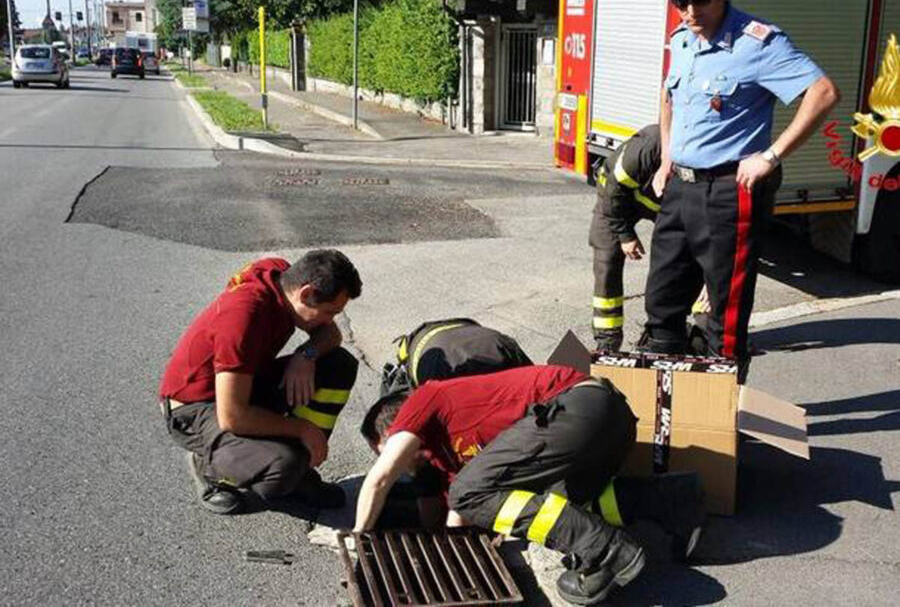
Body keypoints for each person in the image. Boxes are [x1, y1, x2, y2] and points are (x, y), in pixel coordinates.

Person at [355, 365, 705, 606]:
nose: (396, 464)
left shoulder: (425, 400)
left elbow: (379, 480)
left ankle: (609, 553)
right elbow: (457, 518)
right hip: (610, 421)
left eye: (382, 450)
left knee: (467, 492)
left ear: (393, 430)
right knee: (557, 502)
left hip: (578, 406)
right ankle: (672, 500)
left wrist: (360, 538)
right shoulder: (446, 457)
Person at [642, 0, 840, 370]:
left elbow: (823, 92)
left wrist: (770, 156)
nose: (690, 11)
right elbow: (669, 98)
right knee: (662, 300)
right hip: (680, 188)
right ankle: (662, 406)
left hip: (728, 192)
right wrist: (666, 157)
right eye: (680, 2)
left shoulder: (758, 43)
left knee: (724, 315)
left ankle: (718, 418)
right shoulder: (682, 39)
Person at [158, 250, 362, 515]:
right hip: (195, 408)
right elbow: (234, 416)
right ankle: (211, 469)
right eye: (328, 312)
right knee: (282, 466)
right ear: (305, 293)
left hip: (244, 383)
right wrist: (302, 429)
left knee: (338, 364)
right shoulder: (242, 318)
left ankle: (300, 466)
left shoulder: (280, 277)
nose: (330, 321)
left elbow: (331, 336)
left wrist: (306, 355)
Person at [590, 125, 710, 352]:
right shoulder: (649, 147)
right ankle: (607, 341)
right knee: (607, 259)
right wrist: (625, 235)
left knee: (688, 262)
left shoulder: (706, 157)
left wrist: (713, 276)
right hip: (617, 202)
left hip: (668, 208)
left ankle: (696, 331)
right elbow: (614, 188)